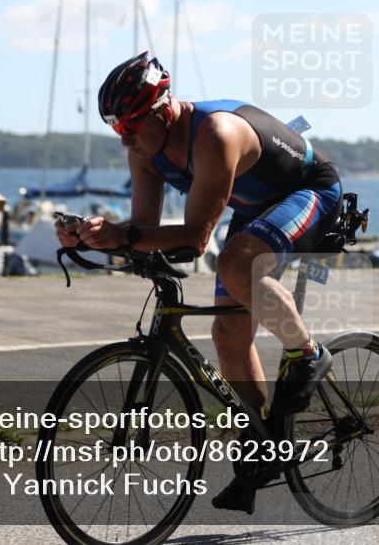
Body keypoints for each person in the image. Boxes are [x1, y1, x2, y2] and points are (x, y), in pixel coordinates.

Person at [54, 51, 341, 512]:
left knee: (235, 262)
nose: (125, 140)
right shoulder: (145, 152)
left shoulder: (215, 134)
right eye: (117, 131)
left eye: (131, 126)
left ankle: (307, 353)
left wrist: (123, 236)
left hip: (308, 192)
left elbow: (193, 239)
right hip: (254, 207)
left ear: (163, 109)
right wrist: (93, 236)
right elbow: (142, 230)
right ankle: (261, 446)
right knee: (227, 332)